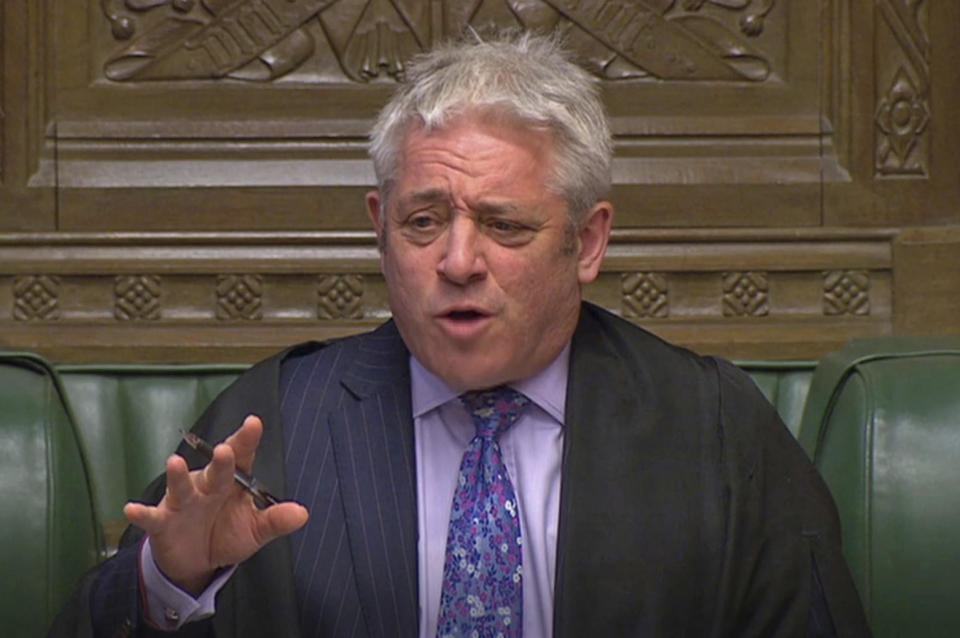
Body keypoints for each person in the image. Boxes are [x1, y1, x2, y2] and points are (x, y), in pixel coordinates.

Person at [52, 31, 871, 638]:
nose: (456, 260)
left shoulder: (715, 427)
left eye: (504, 225)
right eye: (423, 221)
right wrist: (170, 580)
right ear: (380, 229)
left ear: (587, 243)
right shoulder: (273, 417)